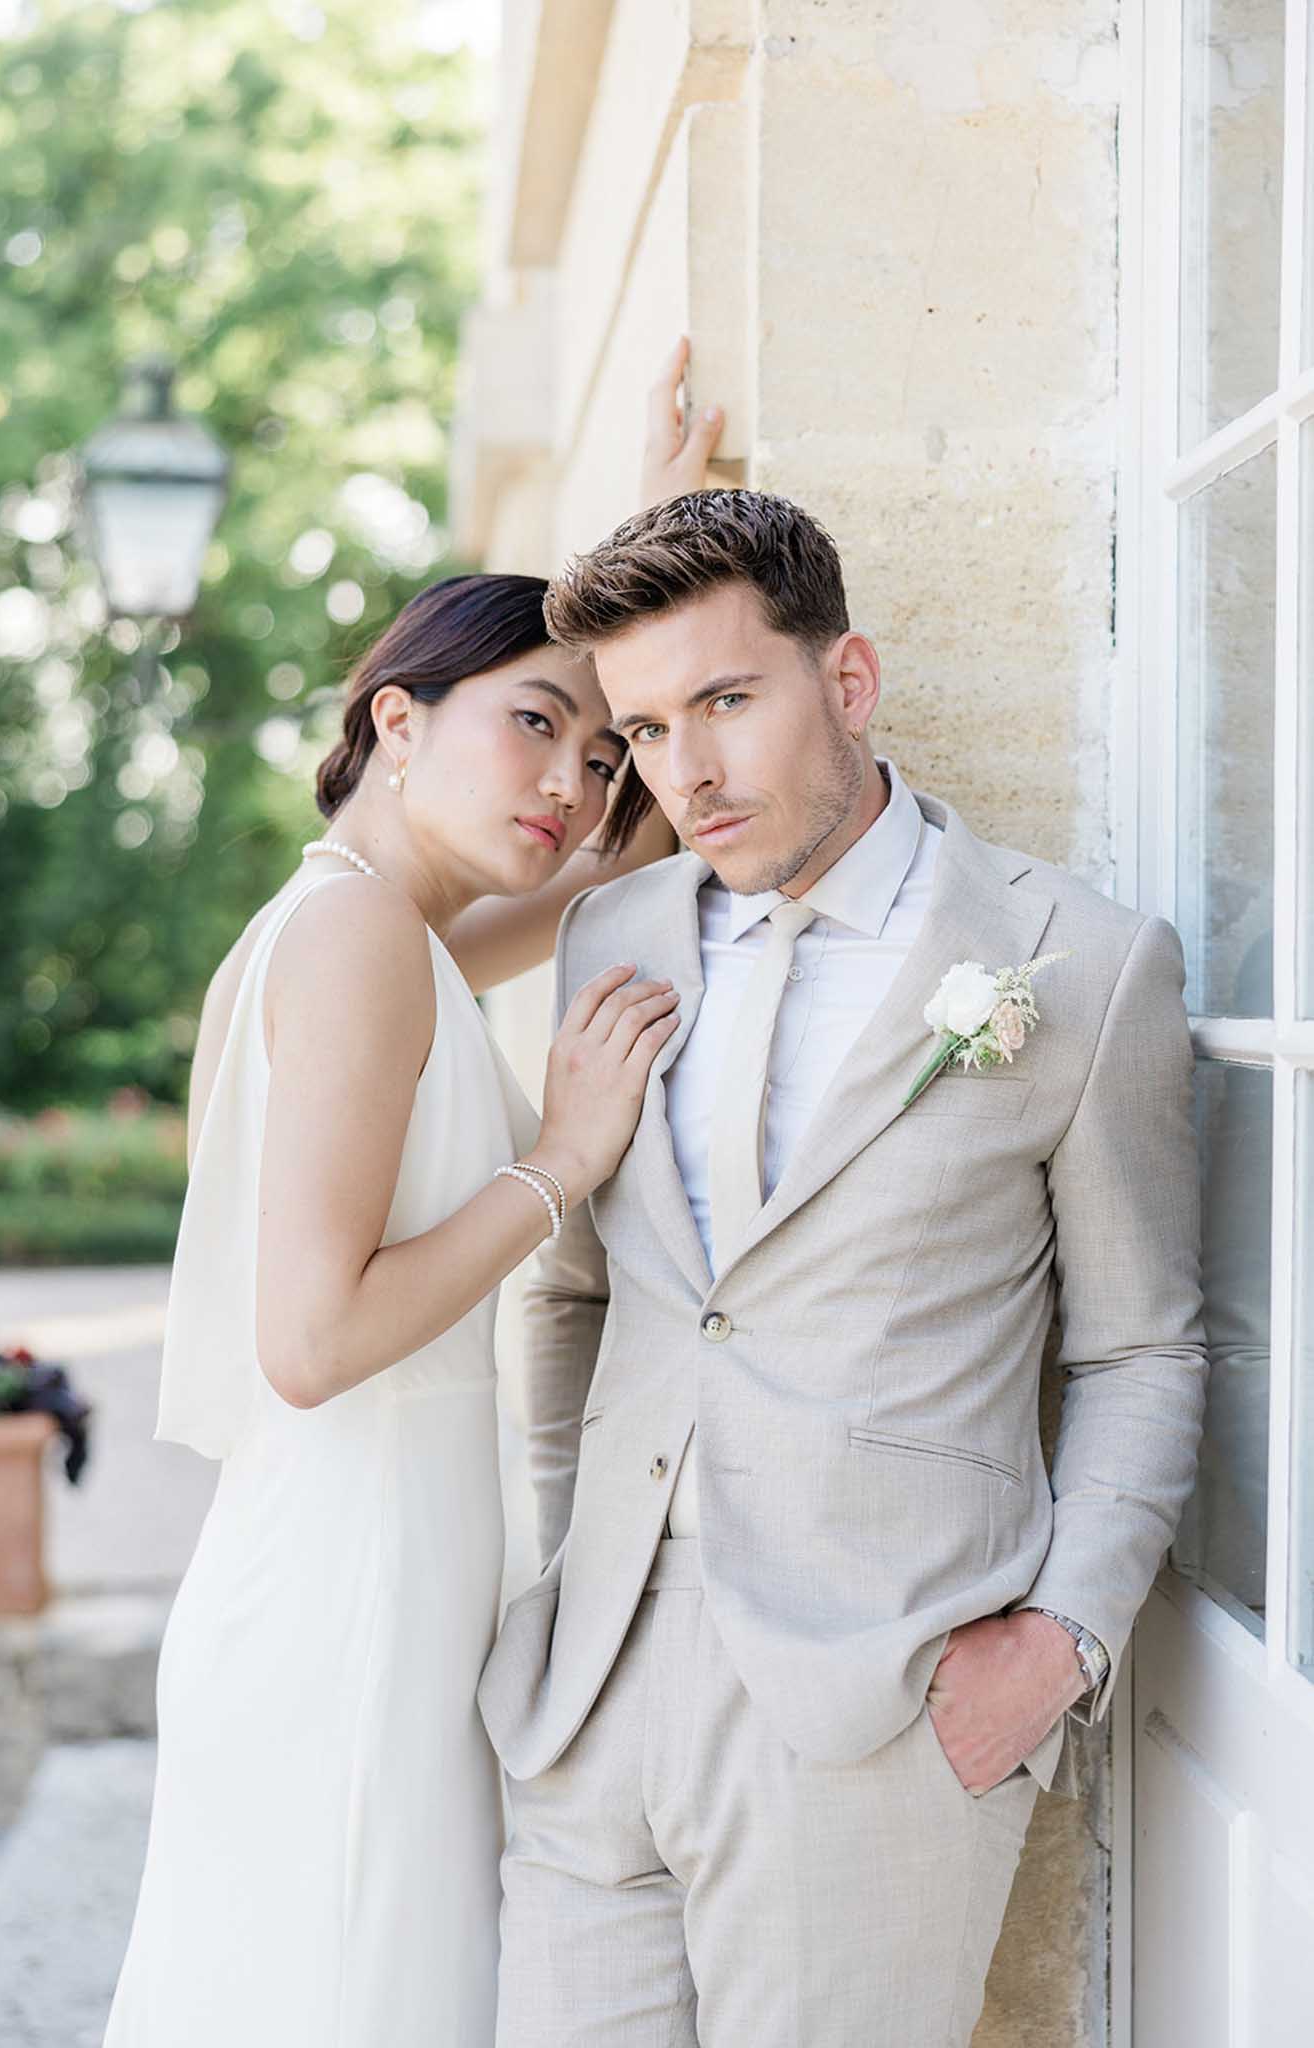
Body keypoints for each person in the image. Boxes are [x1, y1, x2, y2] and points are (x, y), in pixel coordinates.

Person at [480, 488, 1208, 2046]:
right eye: (646, 729)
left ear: (849, 681)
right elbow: (578, 1294)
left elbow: (1140, 1348)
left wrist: (1061, 1642)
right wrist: (560, 1556)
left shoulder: (1075, 964)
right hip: (589, 1686)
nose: (685, 770)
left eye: (726, 703)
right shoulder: (611, 936)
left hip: (873, 1706)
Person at [102, 352, 723, 2048]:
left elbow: (628, 851)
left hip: (376, 1570)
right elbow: (311, 1342)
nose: (574, 782)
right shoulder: (361, 938)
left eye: (598, 748)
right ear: (395, 719)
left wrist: (649, 555)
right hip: (350, 1595)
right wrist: (561, 1162)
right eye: (533, 724)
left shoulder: (385, 929)